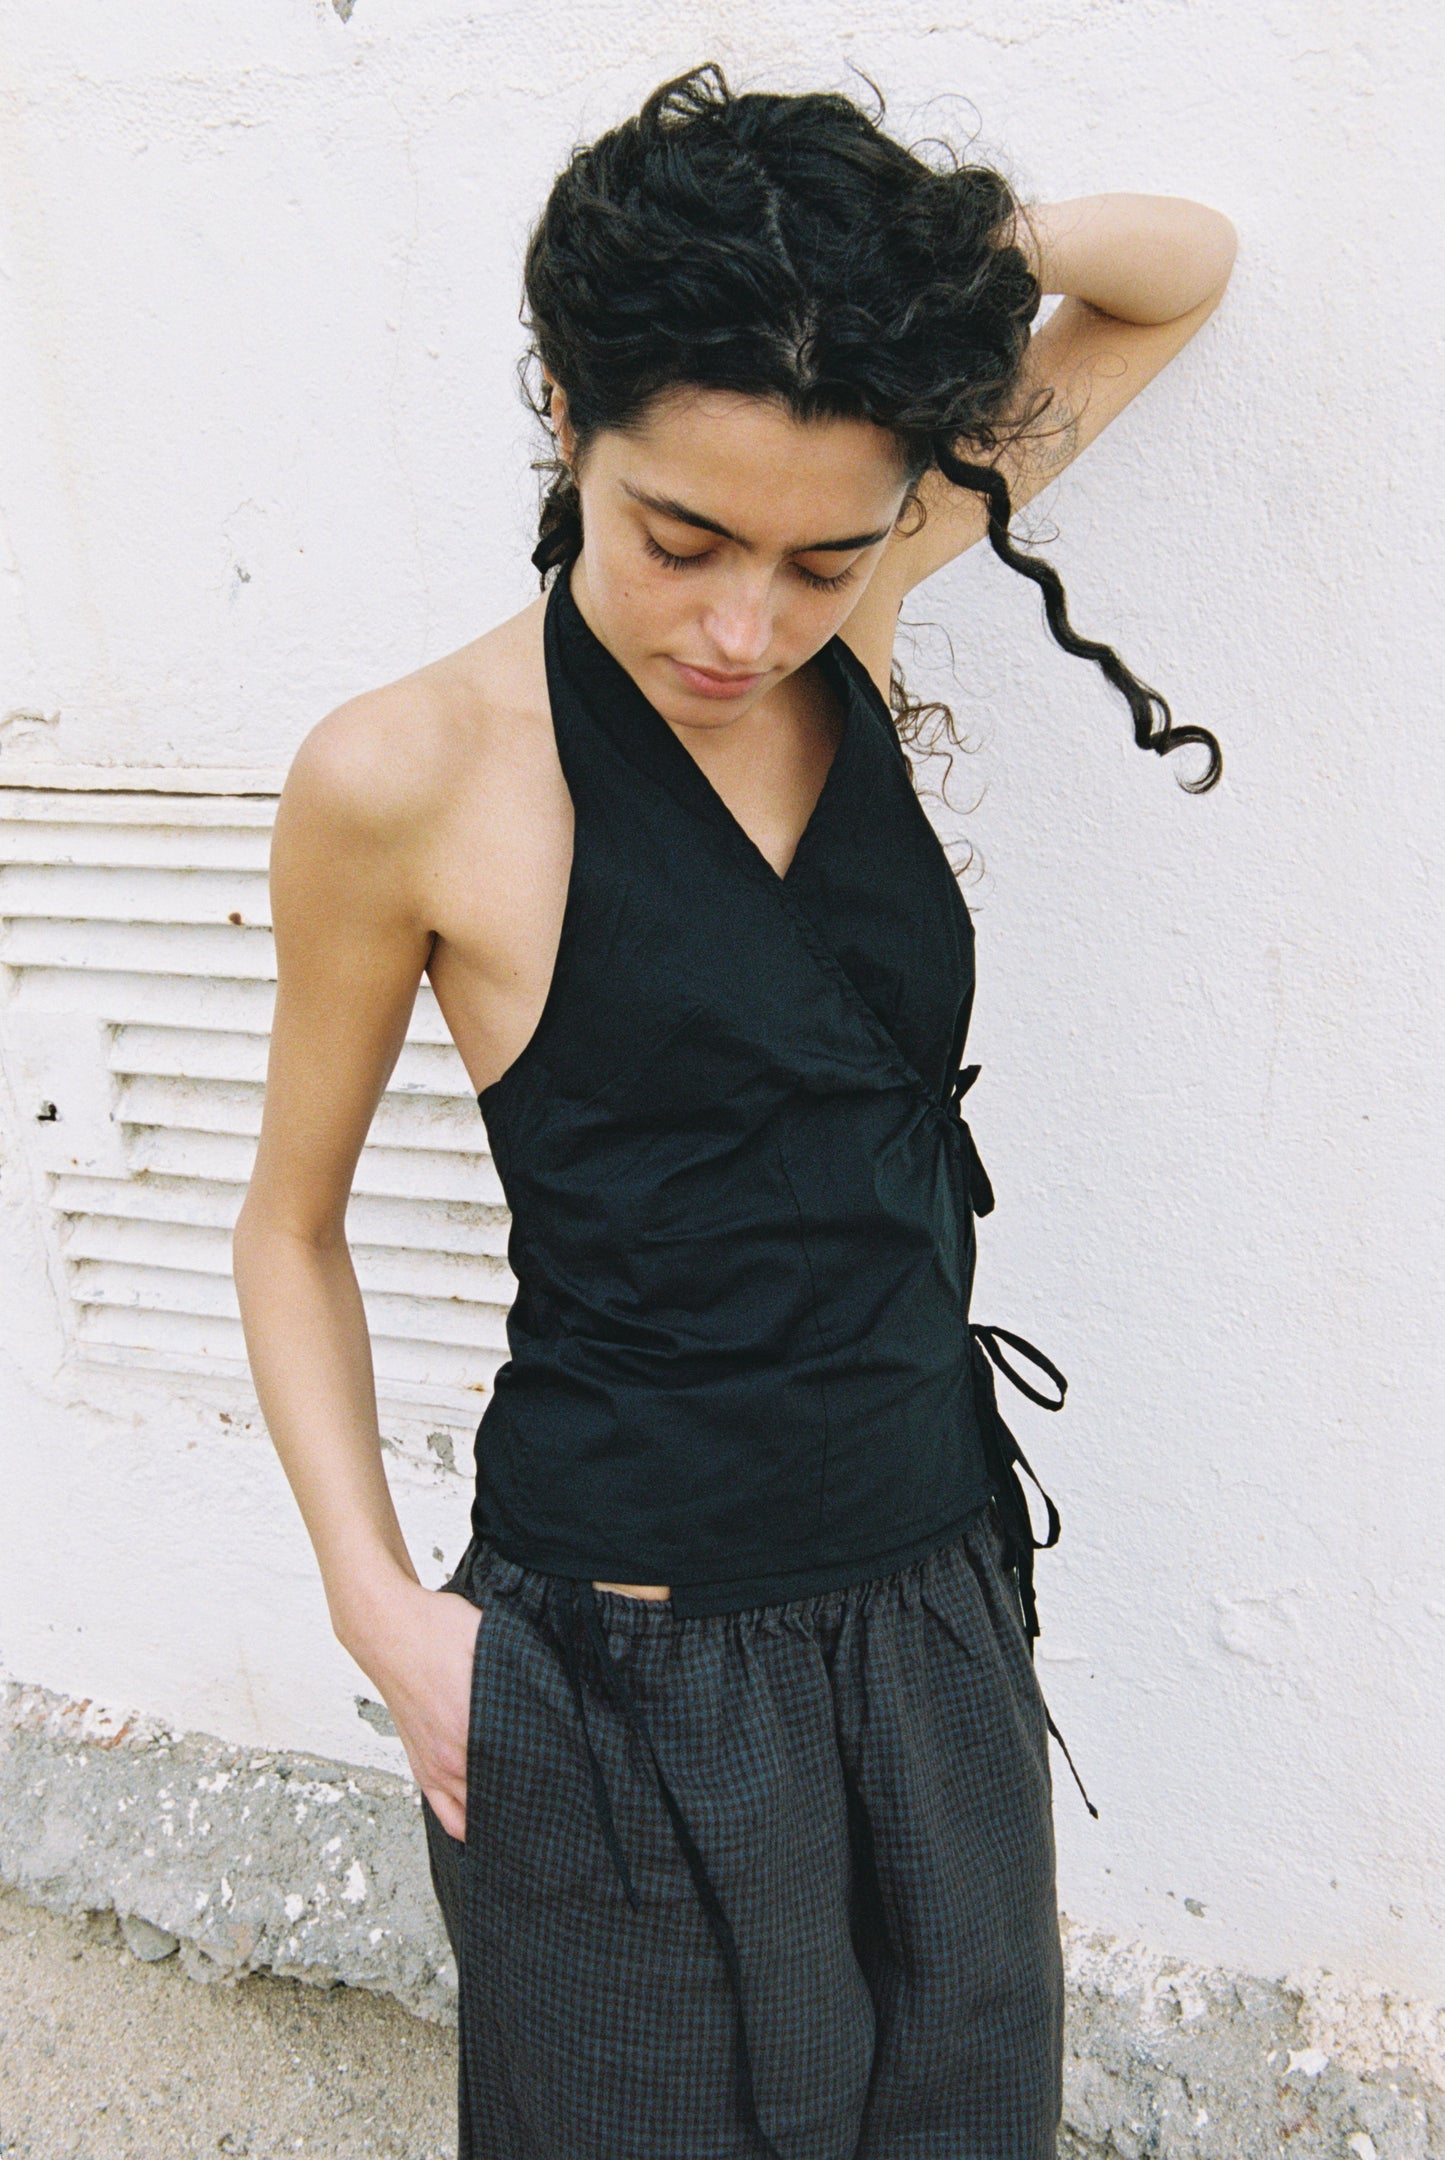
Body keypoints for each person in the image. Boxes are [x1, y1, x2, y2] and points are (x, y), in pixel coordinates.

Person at [234, 63, 1235, 2160]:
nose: (738, 626)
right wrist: (386, 1619)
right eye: (679, 536)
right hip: (620, 1661)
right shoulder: (403, 774)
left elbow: (1175, 276)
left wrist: (907, 289)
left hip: (934, 1586)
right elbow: (290, 1225)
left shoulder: (841, 633)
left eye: (817, 559)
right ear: (563, 409)